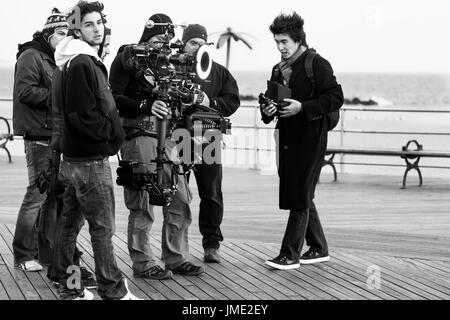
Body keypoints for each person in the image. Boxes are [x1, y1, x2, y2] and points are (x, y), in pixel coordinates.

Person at [52, 0, 140, 300]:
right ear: (77, 28)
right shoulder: (80, 62)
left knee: (69, 227)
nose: (97, 29)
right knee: (102, 229)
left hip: (74, 159)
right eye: (89, 24)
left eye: (99, 22)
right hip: (90, 161)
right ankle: (112, 290)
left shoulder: (70, 60)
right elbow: (82, 114)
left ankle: (71, 288)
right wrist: (110, 137)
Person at [110, 14, 205, 279]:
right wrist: (145, 105)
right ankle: (143, 262)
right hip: (139, 135)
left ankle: (175, 257)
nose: (162, 45)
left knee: (181, 199)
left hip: (170, 136)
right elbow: (112, 97)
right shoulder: (127, 58)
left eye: (166, 40)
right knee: (142, 202)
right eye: (157, 39)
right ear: (145, 36)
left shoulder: (169, 64)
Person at [261, 12, 343, 270]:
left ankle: (289, 254)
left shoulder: (316, 63)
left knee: (299, 195)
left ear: (297, 39)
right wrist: (268, 109)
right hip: (286, 138)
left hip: (311, 138)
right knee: (302, 192)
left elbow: (335, 97)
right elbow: (272, 101)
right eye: (277, 42)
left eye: (284, 41)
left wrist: (302, 108)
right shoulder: (278, 69)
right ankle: (318, 247)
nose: (280, 47)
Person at [12, 8, 69, 272]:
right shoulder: (31, 56)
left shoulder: (54, 58)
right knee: (36, 195)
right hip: (38, 136)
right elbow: (25, 92)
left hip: (54, 135)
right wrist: (58, 94)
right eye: (60, 33)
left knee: (53, 197)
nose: (65, 37)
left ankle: (45, 253)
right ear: (48, 34)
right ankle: (23, 255)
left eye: (68, 32)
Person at [181, 24, 240, 263]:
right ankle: (177, 243)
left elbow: (233, 101)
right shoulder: (174, 68)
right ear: (184, 43)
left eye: (201, 44)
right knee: (177, 193)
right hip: (181, 136)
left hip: (209, 137)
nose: (197, 47)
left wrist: (211, 102)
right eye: (193, 42)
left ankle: (212, 244)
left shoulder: (219, 72)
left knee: (212, 193)